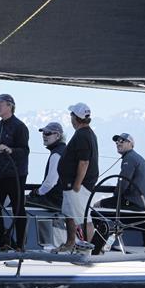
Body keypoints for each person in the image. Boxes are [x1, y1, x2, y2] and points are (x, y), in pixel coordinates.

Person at [0, 94, 29, 249]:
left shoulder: (19, 127)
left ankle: (20, 245)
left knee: (18, 208)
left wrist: (10, 150)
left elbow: (25, 151)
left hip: (16, 175)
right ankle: (3, 242)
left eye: (0, 104)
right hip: (0, 174)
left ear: (10, 106)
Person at [57, 103, 98, 250]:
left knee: (83, 218)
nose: (70, 118)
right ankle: (70, 243)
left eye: (72, 115)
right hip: (71, 184)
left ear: (76, 117)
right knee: (70, 214)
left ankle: (86, 249)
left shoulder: (82, 135)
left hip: (77, 185)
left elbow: (84, 162)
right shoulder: (85, 133)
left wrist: (77, 184)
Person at [96, 133, 145, 212]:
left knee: (98, 205)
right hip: (143, 203)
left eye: (121, 141)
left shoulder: (129, 158)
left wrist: (115, 197)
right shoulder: (135, 157)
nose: (118, 143)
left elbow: (123, 182)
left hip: (133, 202)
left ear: (130, 143)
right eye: (116, 142)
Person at [27, 122, 66, 210]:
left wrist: (37, 192)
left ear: (57, 135)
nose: (44, 136)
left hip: (53, 201)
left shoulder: (56, 154)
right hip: (62, 199)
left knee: (18, 203)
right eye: (43, 133)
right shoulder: (64, 150)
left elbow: (50, 182)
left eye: (48, 133)